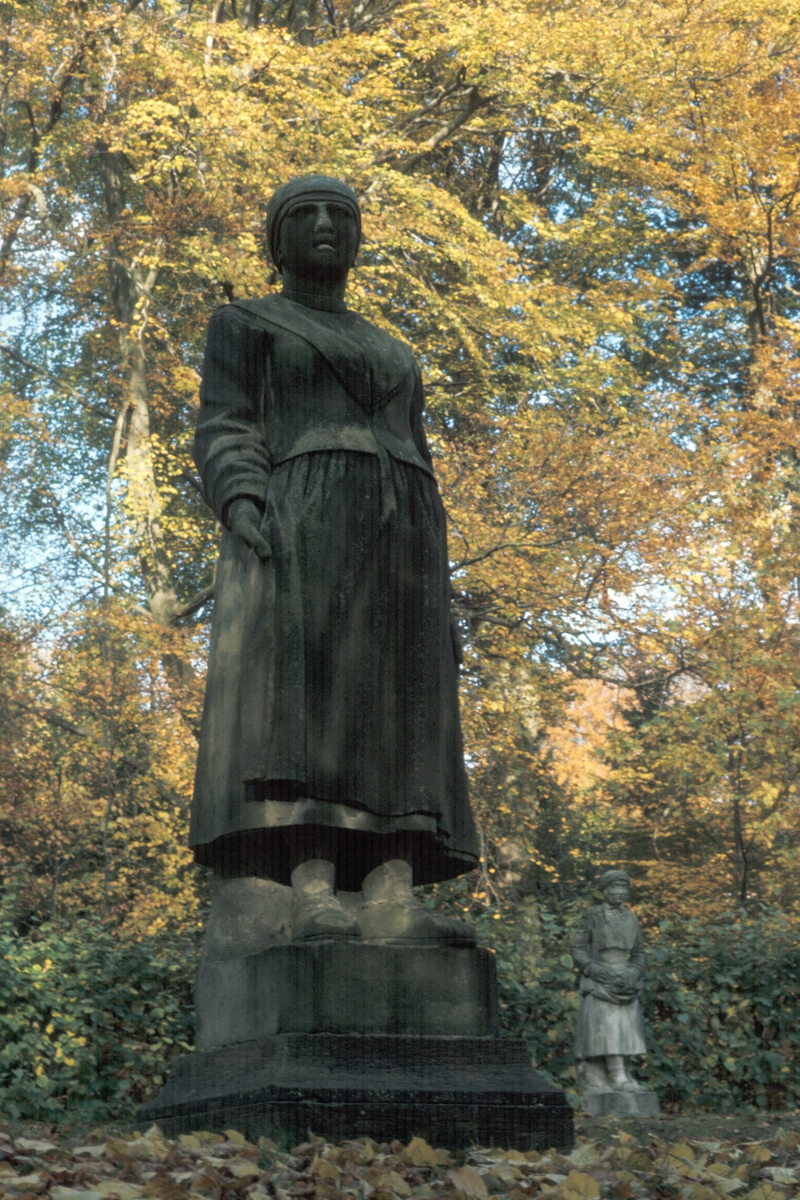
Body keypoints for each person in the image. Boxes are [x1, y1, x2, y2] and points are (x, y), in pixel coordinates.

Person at [189, 174, 479, 944]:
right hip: (306, 522)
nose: (326, 225)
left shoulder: (394, 348)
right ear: (276, 240)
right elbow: (225, 421)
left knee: (402, 711)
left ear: (358, 236)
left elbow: (417, 448)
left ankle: (393, 891)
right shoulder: (246, 321)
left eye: (341, 215)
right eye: (306, 214)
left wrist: (442, 597)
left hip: (408, 539)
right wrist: (243, 496)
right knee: (314, 704)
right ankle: (312, 884)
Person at [571, 869, 648, 1092]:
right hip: (601, 981)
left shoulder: (631, 918)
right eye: (614, 887)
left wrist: (634, 971)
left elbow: (639, 952)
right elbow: (577, 948)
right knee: (610, 1029)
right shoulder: (592, 916)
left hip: (626, 981)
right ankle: (616, 1076)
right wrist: (592, 968)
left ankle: (625, 1074)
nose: (619, 892)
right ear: (604, 890)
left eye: (623, 887)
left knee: (627, 1029)